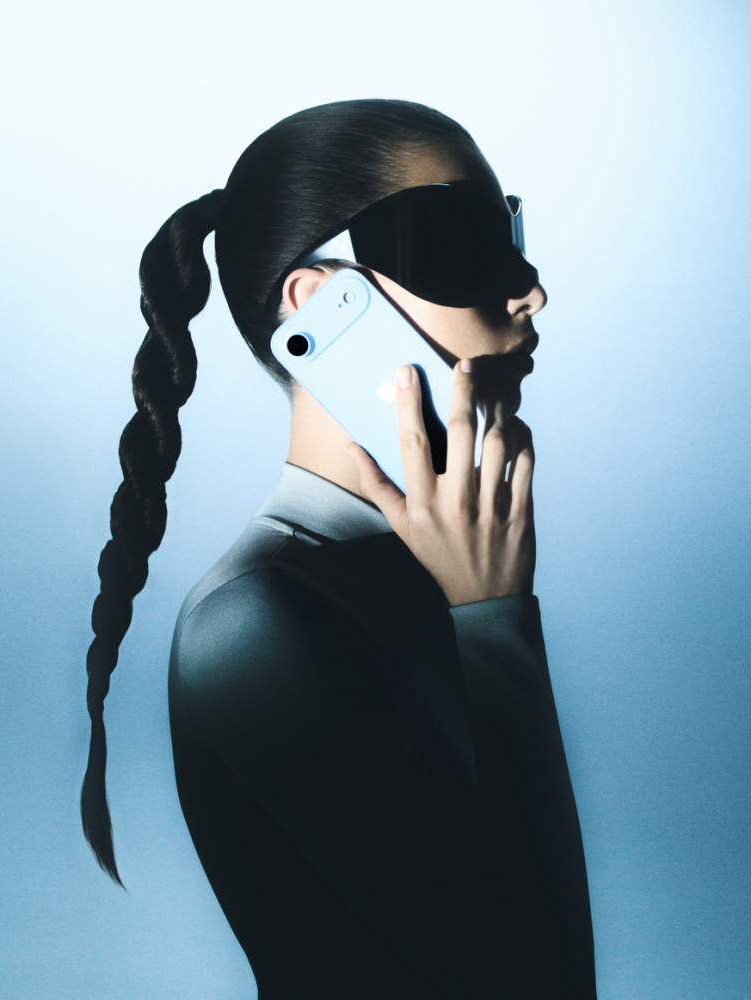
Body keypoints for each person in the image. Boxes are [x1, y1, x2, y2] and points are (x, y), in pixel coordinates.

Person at [82, 99, 597, 998]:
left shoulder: (434, 570)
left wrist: (485, 607)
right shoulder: (246, 626)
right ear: (318, 303)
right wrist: (496, 619)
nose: (530, 291)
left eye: (511, 232)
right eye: (463, 242)